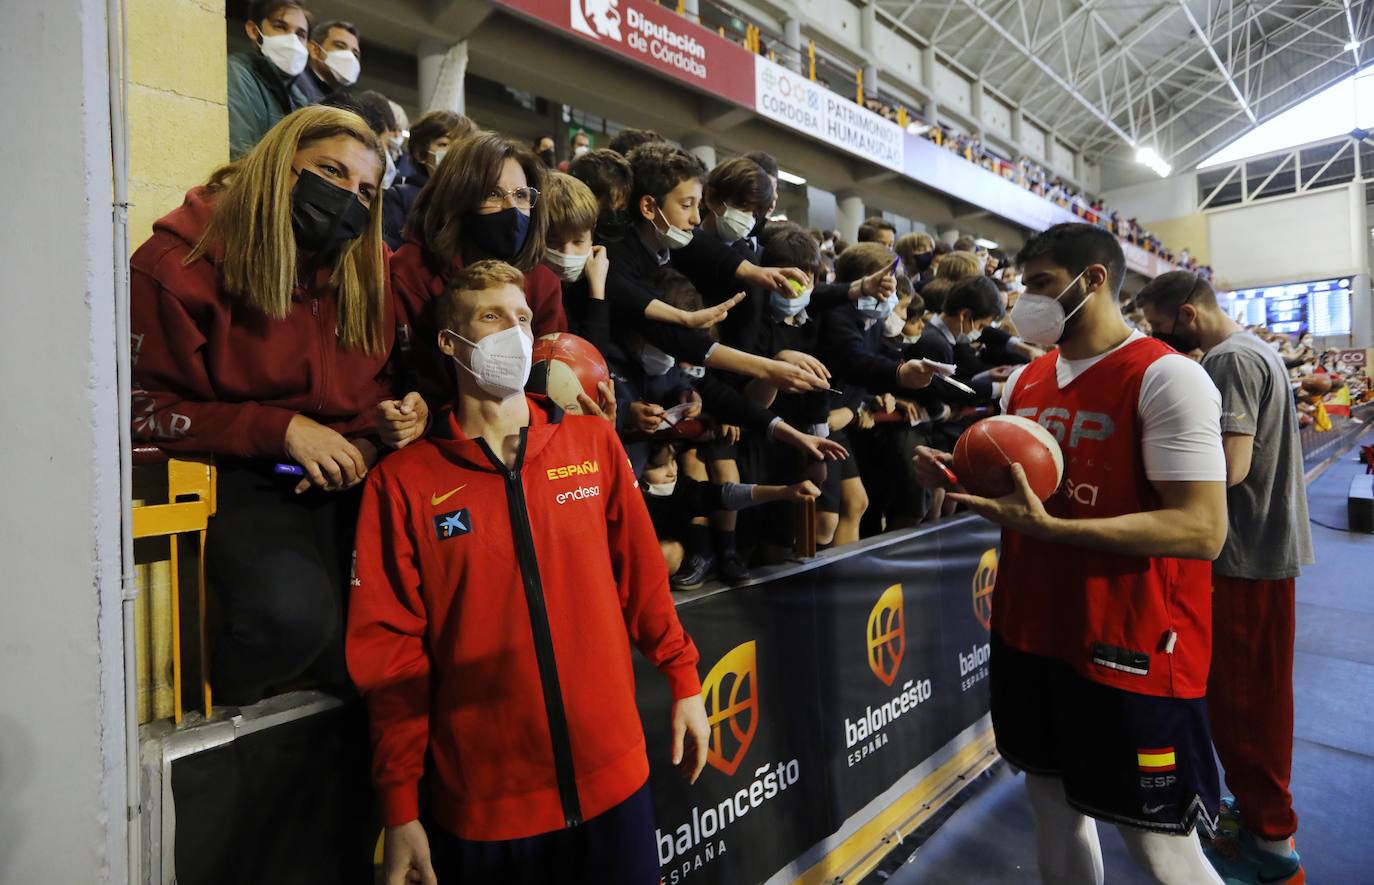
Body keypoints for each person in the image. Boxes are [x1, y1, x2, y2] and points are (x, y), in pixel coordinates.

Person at [347, 260, 709, 885]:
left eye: (522, 319)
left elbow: (643, 580)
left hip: (614, 781)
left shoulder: (593, 445)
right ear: (449, 342)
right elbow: (392, 655)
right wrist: (401, 806)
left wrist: (684, 679)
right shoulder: (402, 483)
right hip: (486, 808)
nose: (513, 333)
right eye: (491, 318)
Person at [915, 223, 1228, 884]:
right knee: (1053, 813)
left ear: (1094, 280)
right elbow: (1026, 493)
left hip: (1132, 643)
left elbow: (1203, 530)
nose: (1025, 301)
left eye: (1040, 286)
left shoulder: (1168, 378)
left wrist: (1058, 530)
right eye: (1023, 285)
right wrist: (960, 474)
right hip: (1030, 631)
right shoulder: (1024, 382)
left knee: (1159, 844)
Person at [130, 106, 422, 707]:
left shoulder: (369, 271)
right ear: (277, 163)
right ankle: (232, 714)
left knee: (388, 638)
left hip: (347, 470)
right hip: (235, 468)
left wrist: (388, 423)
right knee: (289, 622)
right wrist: (281, 429)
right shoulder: (177, 263)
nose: (348, 198)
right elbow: (143, 408)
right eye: (330, 172)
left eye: (366, 189)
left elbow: (382, 382)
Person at [1135, 271, 1312, 885]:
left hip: (1244, 557)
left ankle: (1271, 846)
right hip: (1261, 551)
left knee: (1244, 706)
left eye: (1159, 328)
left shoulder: (1232, 359)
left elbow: (1231, 469)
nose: (1159, 341)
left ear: (1185, 316)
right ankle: (1262, 822)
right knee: (1249, 700)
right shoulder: (1257, 347)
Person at [392, 130, 568, 406]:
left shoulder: (543, 283)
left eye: (521, 195)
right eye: (493, 194)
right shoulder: (413, 269)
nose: (512, 208)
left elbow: (550, 382)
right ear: (458, 197)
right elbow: (406, 373)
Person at [228, 0, 312, 159]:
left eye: (300, 34)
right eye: (280, 27)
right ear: (253, 30)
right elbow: (238, 156)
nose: (293, 40)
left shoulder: (299, 99)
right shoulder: (238, 74)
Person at [382, 110, 476, 249]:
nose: (455, 153)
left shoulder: (473, 204)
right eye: (444, 144)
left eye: (463, 147)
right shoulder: (400, 197)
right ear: (420, 153)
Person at [294, 20, 361, 105]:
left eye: (355, 54)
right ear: (315, 50)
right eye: (340, 46)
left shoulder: (336, 102)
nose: (350, 57)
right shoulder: (295, 87)